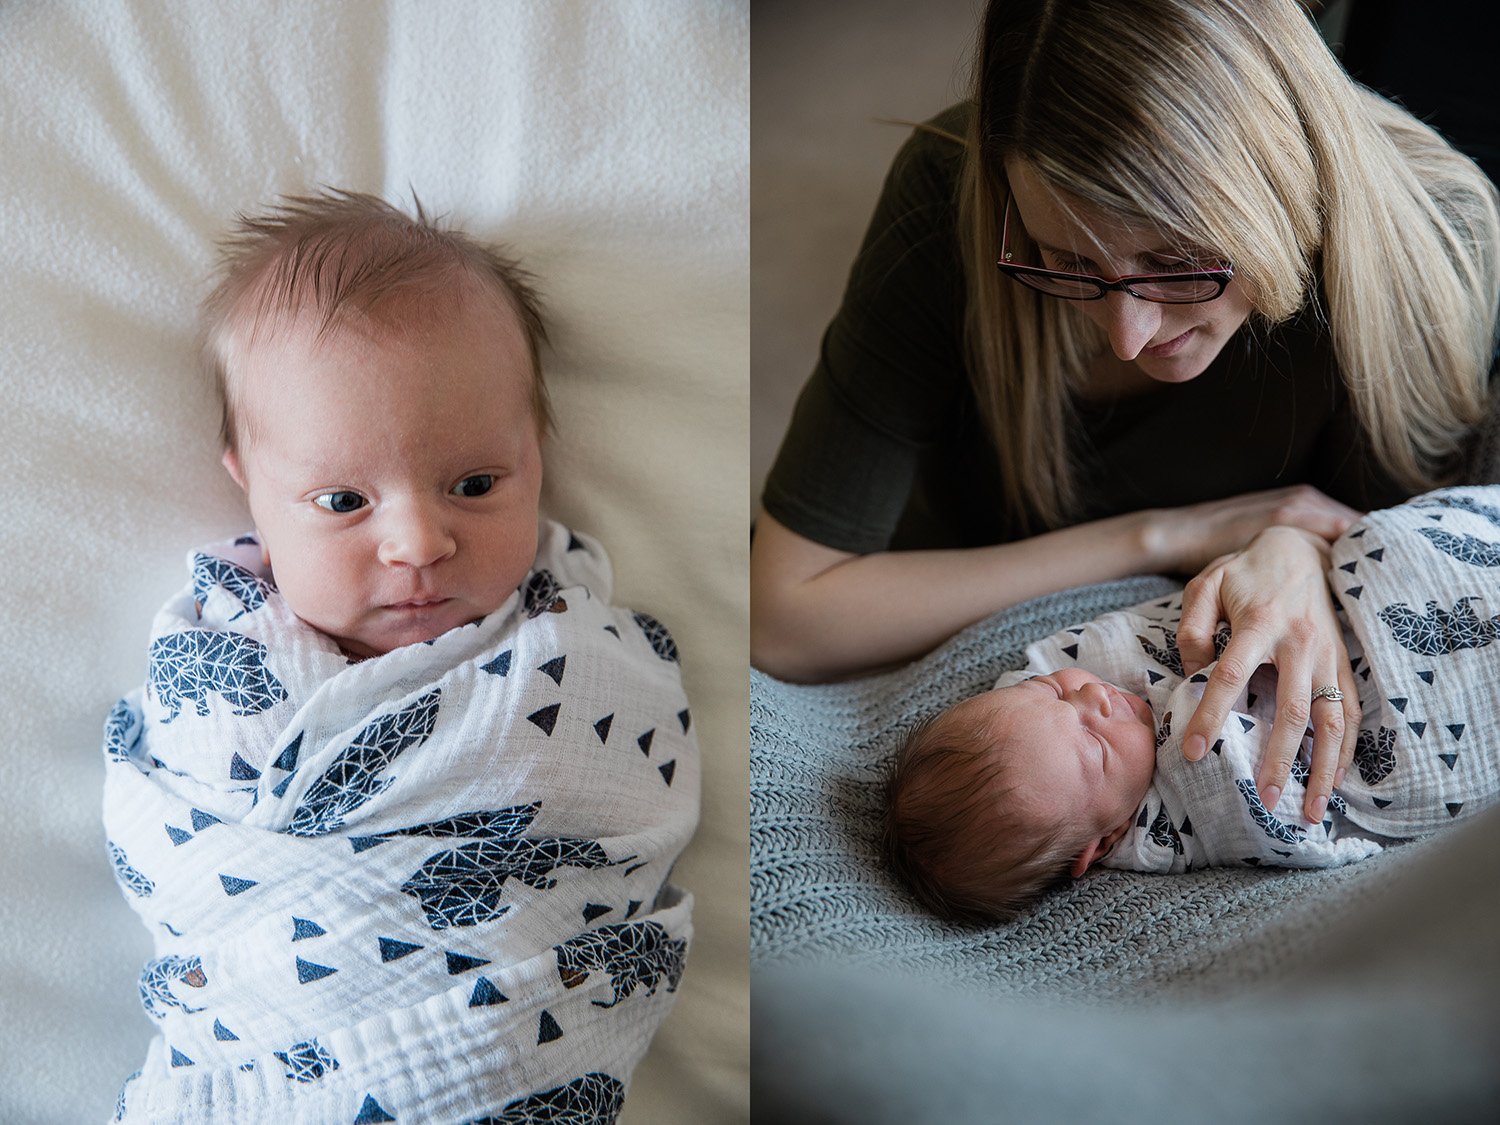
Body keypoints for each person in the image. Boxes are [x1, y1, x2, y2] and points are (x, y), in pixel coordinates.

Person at [751, 0, 1500, 831]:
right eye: (1067, 262)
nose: (1128, 333)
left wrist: (1293, 546)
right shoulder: (948, 196)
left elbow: (1413, 557)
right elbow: (785, 616)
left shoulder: (1436, 237)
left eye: (1176, 263)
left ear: (1273, 189)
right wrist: (1172, 534)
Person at [101, 192, 699, 1120]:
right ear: (250, 487)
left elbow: (630, 794)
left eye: (473, 483)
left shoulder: (575, 650)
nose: (418, 542)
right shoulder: (211, 660)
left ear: (536, 453)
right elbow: (168, 848)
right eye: (343, 501)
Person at [885, 487, 1500, 922]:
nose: (1095, 697)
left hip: (1370, 585)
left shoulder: (1042, 699)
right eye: (1096, 748)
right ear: (1099, 844)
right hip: (1411, 710)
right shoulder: (1169, 830)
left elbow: (1099, 647)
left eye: (1054, 693)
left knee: (1397, 546)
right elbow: (1287, 817)